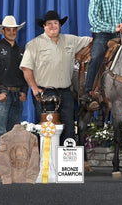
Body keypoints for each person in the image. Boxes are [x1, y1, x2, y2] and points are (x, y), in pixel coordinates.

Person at [20, 10, 92, 145]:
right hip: (44, 92)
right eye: (49, 24)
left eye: (55, 23)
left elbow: (91, 41)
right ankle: (46, 164)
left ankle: (64, 164)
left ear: (60, 25)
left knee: (69, 127)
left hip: (65, 92)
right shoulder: (34, 44)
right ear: (44, 26)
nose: (53, 26)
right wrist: (34, 88)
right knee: (47, 128)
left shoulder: (71, 40)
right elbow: (26, 68)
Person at [0, 15, 28, 178]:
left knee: (13, 131)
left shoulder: (21, 50)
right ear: (3, 31)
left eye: (14, 30)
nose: (11, 32)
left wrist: (24, 91)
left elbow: (25, 72)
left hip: (17, 94)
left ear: (17, 31)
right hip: (2, 93)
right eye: (8, 30)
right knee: (0, 131)